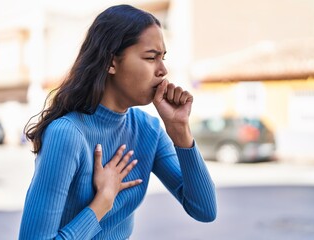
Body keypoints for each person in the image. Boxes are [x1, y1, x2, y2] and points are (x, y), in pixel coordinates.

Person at [19, 4, 217, 240]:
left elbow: (204, 210)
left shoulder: (148, 130)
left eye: (163, 58)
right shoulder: (67, 134)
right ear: (111, 62)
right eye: (151, 57)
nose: (163, 70)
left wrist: (179, 129)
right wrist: (102, 202)